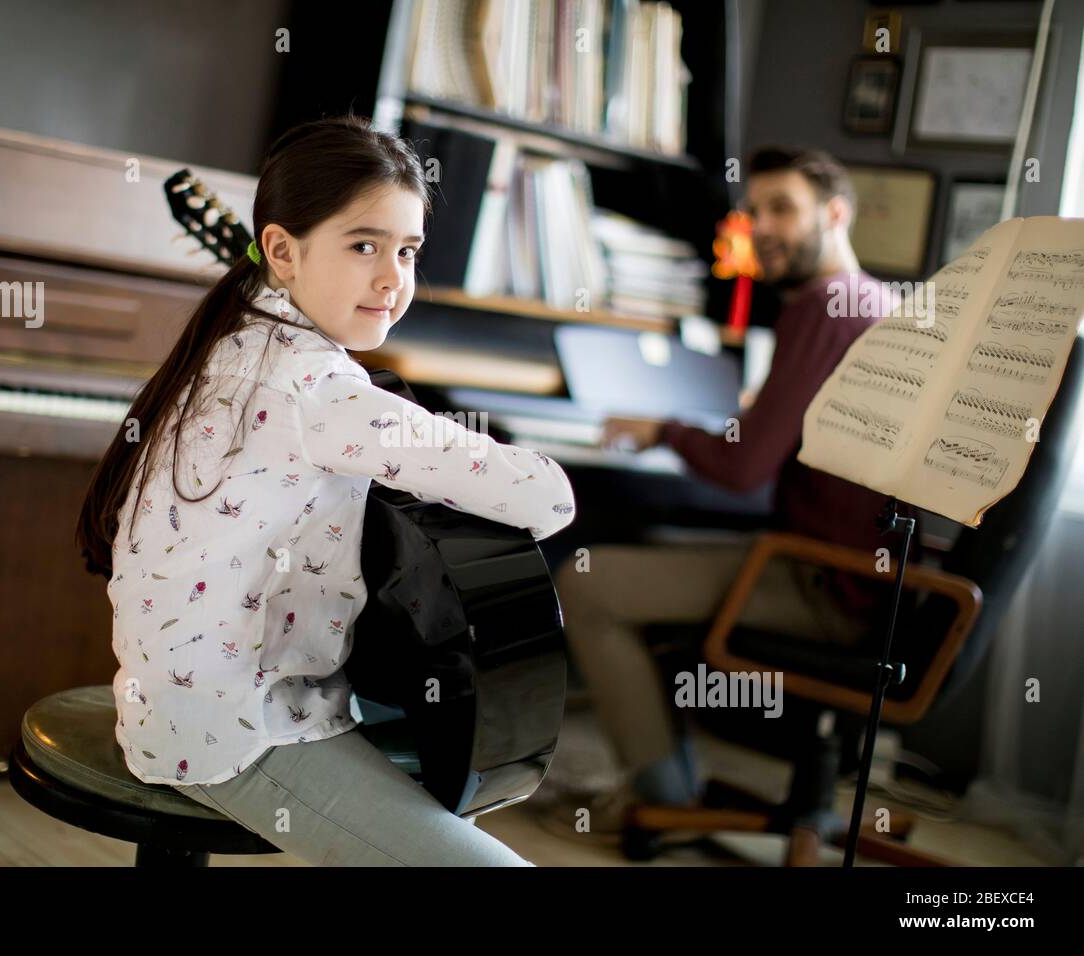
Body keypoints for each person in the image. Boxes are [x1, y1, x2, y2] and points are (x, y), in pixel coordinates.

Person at [75, 116, 576, 866]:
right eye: (363, 245)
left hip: (173, 702)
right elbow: (549, 501)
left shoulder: (236, 332)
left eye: (407, 251)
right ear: (281, 249)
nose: (392, 278)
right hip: (243, 733)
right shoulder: (317, 389)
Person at [544, 145, 909, 838]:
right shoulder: (871, 301)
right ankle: (673, 789)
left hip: (823, 584)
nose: (762, 226)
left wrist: (665, 430)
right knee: (644, 561)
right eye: (753, 210)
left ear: (835, 214)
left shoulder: (827, 306)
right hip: (857, 576)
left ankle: (666, 803)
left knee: (590, 586)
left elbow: (744, 471)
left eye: (783, 209)